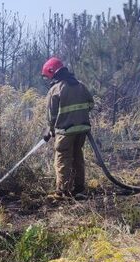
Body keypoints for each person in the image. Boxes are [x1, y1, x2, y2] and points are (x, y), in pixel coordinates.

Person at [41, 57, 94, 200]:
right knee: (77, 157)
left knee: (63, 158)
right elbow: (90, 104)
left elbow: (51, 116)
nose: (48, 79)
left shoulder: (56, 89)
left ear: (52, 72)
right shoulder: (80, 85)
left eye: (48, 76)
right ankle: (79, 189)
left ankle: (63, 191)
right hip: (82, 130)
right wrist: (78, 116)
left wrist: (49, 129)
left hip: (65, 132)